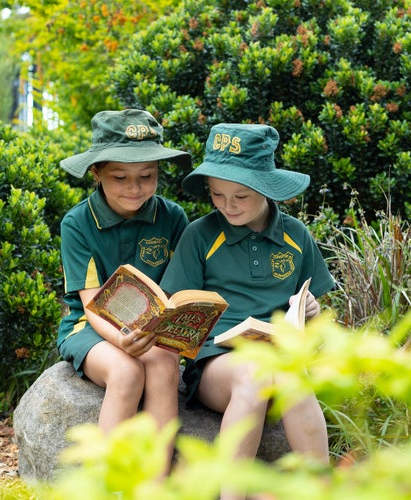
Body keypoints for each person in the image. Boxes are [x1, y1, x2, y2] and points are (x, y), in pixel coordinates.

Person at [160, 123, 335, 498]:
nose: (228, 205)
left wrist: (311, 310)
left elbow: (311, 308)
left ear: (267, 188)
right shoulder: (200, 235)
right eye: (217, 194)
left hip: (281, 354)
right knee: (255, 373)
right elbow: (177, 315)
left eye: (240, 195)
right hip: (218, 365)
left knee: (292, 376)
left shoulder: (295, 236)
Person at [56, 109, 191, 452]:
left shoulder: (173, 217)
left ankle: (156, 486)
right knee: (127, 372)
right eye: (120, 177)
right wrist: (121, 339)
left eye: (147, 175)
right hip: (91, 326)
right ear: (97, 173)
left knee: (163, 363)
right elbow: (90, 303)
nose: (135, 188)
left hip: (152, 328)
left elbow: (176, 290)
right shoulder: (77, 223)